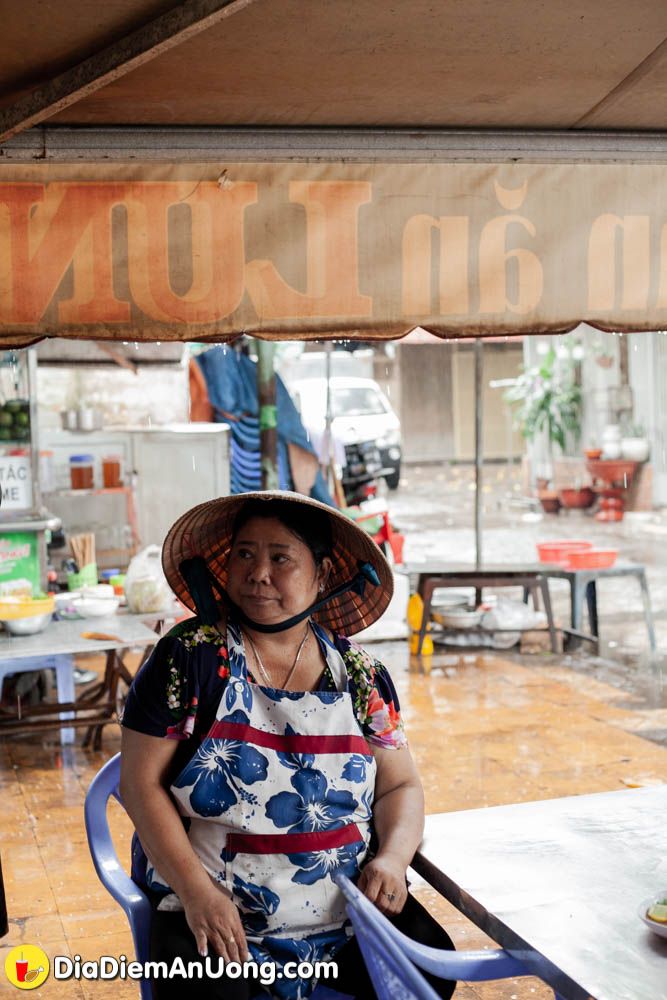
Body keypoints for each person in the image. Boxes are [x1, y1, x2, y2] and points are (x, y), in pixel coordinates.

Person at [121, 491, 455, 999]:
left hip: (343, 912)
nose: (258, 573)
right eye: (245, 554)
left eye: (280, 558)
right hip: (218, 913)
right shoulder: (189, 658)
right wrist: (197, 893)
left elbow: (401, 785)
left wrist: (393, 858)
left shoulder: (361, 675)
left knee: (434, 972)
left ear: (321, 574)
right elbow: (140, 784)